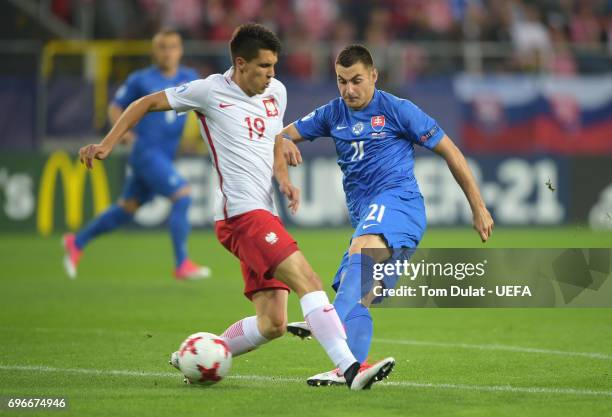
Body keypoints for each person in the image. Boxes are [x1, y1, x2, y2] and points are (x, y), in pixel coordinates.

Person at [78, 24, 394, 390]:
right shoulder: (209, 91)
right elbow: (144, 103)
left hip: (265, 213)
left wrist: (284, 179)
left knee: (273, 323)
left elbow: (272, 138)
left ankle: (194, 355)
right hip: (241, 216)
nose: (271, 75)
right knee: (309, 280)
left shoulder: (276, 91)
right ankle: (351, 369)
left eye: (274, 66)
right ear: (240, 63)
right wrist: (106, 144)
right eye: (263, 67)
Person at [278, 44, 494, 385]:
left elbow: (450, 151)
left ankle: (327, 318)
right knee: (360, 292)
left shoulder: (397, 110)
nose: (349, 89)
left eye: (357, 80)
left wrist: (478, 206)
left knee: (360, 252)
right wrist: (283, 141)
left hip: (399, 205)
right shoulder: (333, 113)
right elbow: (281, 134)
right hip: (372, 216)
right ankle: (352, 370)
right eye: (341, 81)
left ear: (374, 76)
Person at [63, 29, 210, 281]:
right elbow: (115, 107)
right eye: (162, 47)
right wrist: (125, 135)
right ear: (154, 51)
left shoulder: (189, 76)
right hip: (145, 152)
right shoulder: (140, 79)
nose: (167, 52)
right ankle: (182, 263)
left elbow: (201, 109)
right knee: (183, 196)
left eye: (172, 47)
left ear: (180, 50)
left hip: (166, 154)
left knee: (127, 208)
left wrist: (197, 139)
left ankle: (77, 242)